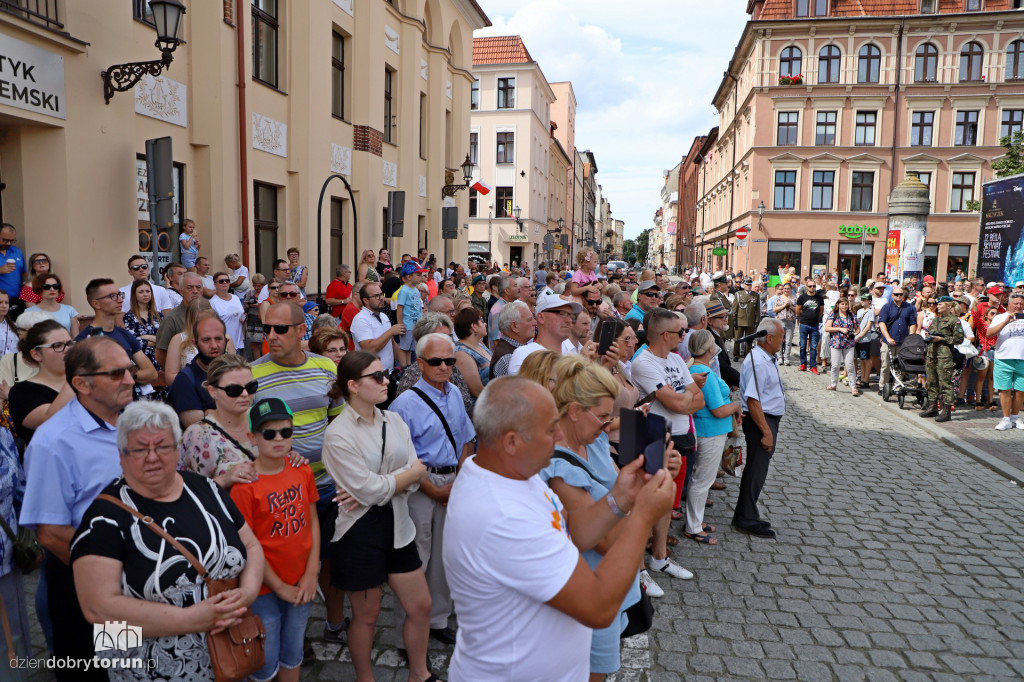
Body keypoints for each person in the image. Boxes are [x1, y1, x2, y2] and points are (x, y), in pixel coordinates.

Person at [443, 376, 675, 681]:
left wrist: (623, 497)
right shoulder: (504, 516)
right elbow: (598, 607)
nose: (558, 437)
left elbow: (575, 531)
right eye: (550, 429)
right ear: (511, 441)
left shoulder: (510, 475)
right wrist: (643, 516)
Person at [71, 401, 265, 681]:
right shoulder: (104, 517)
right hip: (146, 669)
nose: (152, 457)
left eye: (162, 446)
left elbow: (251, 545)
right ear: (122, 455)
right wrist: (188, 620)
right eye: (139, 449)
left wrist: (247, 593)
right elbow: (97, 609)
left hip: (227, 655)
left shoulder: (206, 488)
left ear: (177, 449)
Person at [539, 355, 680, 680]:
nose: (609, 425)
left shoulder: (596, 441)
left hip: (614, 582)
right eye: (603, 417)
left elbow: (620, 488)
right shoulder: (560, 468)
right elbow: (604, 541)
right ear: (574, 412)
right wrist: (648, 508)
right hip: (591, 588)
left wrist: (653, 476)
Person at [20, 337, 136, 679]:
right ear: (81, 384)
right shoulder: (53, 441)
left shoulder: (132, 420)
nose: (130, 379)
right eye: (116, 374)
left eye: (128, 369)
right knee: (97, 672)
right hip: (88, 583)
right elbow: (52, 534)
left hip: (137, 577)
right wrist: (117, 576)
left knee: (128, 668)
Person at [320, 352, 438, 682]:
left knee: (421, 605)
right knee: (367, 616)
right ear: (353, 386)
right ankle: (365, 678)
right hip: (359, 531)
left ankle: (420, 674)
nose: (387, 380)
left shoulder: (394, 421)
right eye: (377, 376)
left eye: (384, 373)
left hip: (400, 525)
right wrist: (404, 477)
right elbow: (375, 487)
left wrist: (392, 483)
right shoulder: (338, 434)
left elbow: (412, 473)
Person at [390, 333, 476, 650]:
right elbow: (401, 458)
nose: (444, 367)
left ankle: (438, 619)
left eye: (449, 361)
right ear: (421, 362)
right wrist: (433, 489)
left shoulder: (454, 394)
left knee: (443, 557)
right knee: (416, 561)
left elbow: (467, 437)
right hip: (420, 485)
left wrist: (460, 474)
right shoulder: (404, 404)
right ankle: (405, 635)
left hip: (452, 479)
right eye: (437, 361)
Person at [230, 397, 319, 682]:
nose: (279, 439)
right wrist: (279, 586)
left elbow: (312, 521)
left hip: (301, 582)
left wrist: (311, 573)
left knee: (293, 653)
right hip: (264, 589)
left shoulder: (302, 470)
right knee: (264, 662)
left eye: (286, 432)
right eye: (269, 433)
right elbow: (248, 545)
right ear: (252, 437)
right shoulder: (244, 488)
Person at [629, 307, 703, 589]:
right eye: (679, 333)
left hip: (680, 435)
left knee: (665, 500)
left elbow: (697, 399)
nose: (683, 337)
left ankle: (659, 557)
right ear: (664, 334)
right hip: (652, 434)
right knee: (645, 501)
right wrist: (685, 399)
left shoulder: (675, 358)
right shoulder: (644, 362)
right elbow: (677, 402)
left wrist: (682, 399)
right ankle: (637, 569)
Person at [733, 318, 787, 539]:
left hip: (766, 419)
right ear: (770, 338)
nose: (783, 341)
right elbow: (753, 401)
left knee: (758, 470)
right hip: (761, 421)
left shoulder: (764, 358)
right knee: (756, 470)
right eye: (782, 337)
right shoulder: (760, 362)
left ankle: (747, 513)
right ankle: (745, 518)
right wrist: (766, 432)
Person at [686, 330, 739, 544]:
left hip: (712, 430)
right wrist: (735, 405)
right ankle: (693, 526)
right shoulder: (703, 372)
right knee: (702, 480)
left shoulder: (700, 368)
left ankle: (696, 521)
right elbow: (718, 409)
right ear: (709, 348)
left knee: (702, 479)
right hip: (711, 431)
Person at [179, 353, 260, 487]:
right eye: (234, 390)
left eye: (251, 387)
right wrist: (224, 480)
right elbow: (190, 491)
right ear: (212, 391)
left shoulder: (262, 419)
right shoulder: (198, 435)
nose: (245, 394)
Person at [8, 319, 71, 445]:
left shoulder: (86, 381)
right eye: (57, 345)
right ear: (36, 354)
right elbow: (51, 419)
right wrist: (79, 374)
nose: (67, 349)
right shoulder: (21, 392)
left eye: (69, 343)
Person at [168, 314, 230, 428]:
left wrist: (210, 413)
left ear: (226, 341)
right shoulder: (185, 380)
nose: (214, 345)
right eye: (206, 340)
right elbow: (201, 430)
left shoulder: (235, 373)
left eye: (218, 339)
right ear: (195, 343)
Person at [508, 293, 582, 375]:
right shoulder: (524, 355)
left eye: (571, 315)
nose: (569, 320)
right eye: (561, 313)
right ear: (541, 317)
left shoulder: (571, 352)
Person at [985, 291, 1024, 430]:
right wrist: (1006, 321)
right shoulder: (1000, 317)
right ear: (1009, 304)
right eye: (1016, 304)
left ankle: (1015, 417)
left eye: (1021, 304)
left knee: (1020, 390)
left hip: (1022, 359)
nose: (1018, 306)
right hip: (1004, 358)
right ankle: (1006, 418)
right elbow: (989, 333)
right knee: (1004, 389)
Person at [155, 271, 206, 370]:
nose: (195, 291)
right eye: (190, 287)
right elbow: (160, 355)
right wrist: (177, 376)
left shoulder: (211, 315)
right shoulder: (171, 318)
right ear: (181, 291)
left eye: (198, 287)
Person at [123, 279, 164, 396]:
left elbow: (164, 339)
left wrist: (145, 337)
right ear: (134, 295)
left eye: (148, 291)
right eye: (141, 292)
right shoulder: (129, 317)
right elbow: (134, 343)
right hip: (141, 365)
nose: (145, 294)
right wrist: (155, 339)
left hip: (159, 362)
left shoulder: (158, 315)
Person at [164, 299, 219, 386]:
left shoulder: (224, 339)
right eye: (199, 322)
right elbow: (170, 377)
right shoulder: (178, 340)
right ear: (190, 321)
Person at [877, 286, 918, 394]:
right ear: (892, 295)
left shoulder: (909, 307)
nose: (899, 296)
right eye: (896, 294)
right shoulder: (887, 307)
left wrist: (910, 339)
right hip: (888, 341)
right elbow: (882, 324)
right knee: (886, 365)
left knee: (900, 366)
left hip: (902, 341)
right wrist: (888, 338)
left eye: (901, 294)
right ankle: (882, 387)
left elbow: (913, 324)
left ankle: (897, 387)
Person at [824, 296, 860, 396]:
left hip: (849, 344)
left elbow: (858, 328)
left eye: (846, 304)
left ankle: (853, 387)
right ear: (838, 305)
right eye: (842, 304)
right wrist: (840, 329)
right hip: (836, 343)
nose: (844, 306)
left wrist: (855, 334)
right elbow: (827, 328)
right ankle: (833, 383)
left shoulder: (851, 316)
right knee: (835, 365)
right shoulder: (833, 315)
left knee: (850, 365)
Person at [453, 307, 491, 399]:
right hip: (482, 406)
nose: (485, 324)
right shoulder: (461, 353)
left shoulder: (479, 344)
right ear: (474, 326)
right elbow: (477, 390)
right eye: (482, 321)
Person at [397, 261, 428, 366]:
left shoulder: (415, 289)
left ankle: (409, 364)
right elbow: (400, 308)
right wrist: (400, 324)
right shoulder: (404, 291)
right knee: (404, 348)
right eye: (418, 275)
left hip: (416, 324)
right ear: (409, 276)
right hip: (407, 324)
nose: (421, 277)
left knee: (410, 348)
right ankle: (403, 367)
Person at [210, 270, 247, 355]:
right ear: (215, 285)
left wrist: (244, 318)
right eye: (221, 281)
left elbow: (241, 314)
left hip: (239, 343)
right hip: (225, 346)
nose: (224, 283)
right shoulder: (213, 302)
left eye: (227, 281)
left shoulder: (236, 298)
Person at [795, 281, 825, 374]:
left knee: (813, 346)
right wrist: (803, 317)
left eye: (814, 286)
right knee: (803, 346)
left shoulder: (819, 298)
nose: (812, 287)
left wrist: (815, 317)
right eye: (810, 286)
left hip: (815, 325)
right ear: (807, 287)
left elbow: (821, 310)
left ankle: (813, 366)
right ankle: (803, 364)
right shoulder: (802, 297)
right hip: (804, 324)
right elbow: (798, 310)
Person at [0, 224, 27, 320]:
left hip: (17, 300)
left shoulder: (16, 251)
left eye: (12, 241)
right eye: (5, 240)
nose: (8, 244)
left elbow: (24, 272)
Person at [732, 278, 760, 360]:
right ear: (743, 285)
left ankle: (747, 354)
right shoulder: (739, 294)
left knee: (749, 339)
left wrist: (757, 320)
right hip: (740, 319)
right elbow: (735, 307)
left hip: (750, 320)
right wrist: (734, 318)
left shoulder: (755, 295)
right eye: (747, 284)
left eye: (750, 285)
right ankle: (736, 355)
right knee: (738, 338)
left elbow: (757, 309)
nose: (748, 286)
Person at [487, 276, 520, 344]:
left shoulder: (508, 306)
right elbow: (496, 341)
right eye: (515, 286)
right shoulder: (499, 310)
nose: (519, 288)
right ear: (506, 291)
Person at [772, 281, 797, 365]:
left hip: (790, 321)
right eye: (785, 288)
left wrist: (790, 306)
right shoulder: (779, 298)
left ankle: (786, 357)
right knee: (779, 340)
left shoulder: (794, 298)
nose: (786, 290)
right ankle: (779, 357)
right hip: (780, 321)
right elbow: (774, 309)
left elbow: (797, 310)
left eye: (788, 288)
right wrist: (784, 305)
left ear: (791, 289)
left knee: (788, 341)